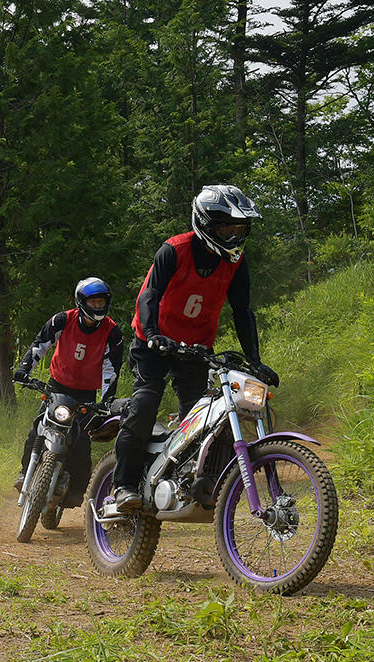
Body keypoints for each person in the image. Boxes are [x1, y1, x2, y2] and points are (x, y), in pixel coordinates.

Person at [110, 184, 263, 512]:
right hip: (155, 341)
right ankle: (122, 485)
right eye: (227, 227)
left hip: (196, 347)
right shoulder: (174, 250)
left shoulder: (235, 262)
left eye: (240, 228)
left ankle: (195, 481)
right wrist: (151, 333)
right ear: (206, 224)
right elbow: (150, 293)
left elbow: (242, 310)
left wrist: (255, 360)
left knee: (209, 415)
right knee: (145, 403)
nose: (234, 235)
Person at [13, 277, 125, 508]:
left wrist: (105, 402)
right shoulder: (62, 320)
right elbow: (40, 345)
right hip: (58, 386)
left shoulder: (112, 332)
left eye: (102, 302)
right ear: (81, 302)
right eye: (93, 303)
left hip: (86, 395)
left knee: (82, 440)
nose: (98, 307)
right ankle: (26, 472)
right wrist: (24, 369)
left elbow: (110, 371)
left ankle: (76, 491)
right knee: (37, 428)